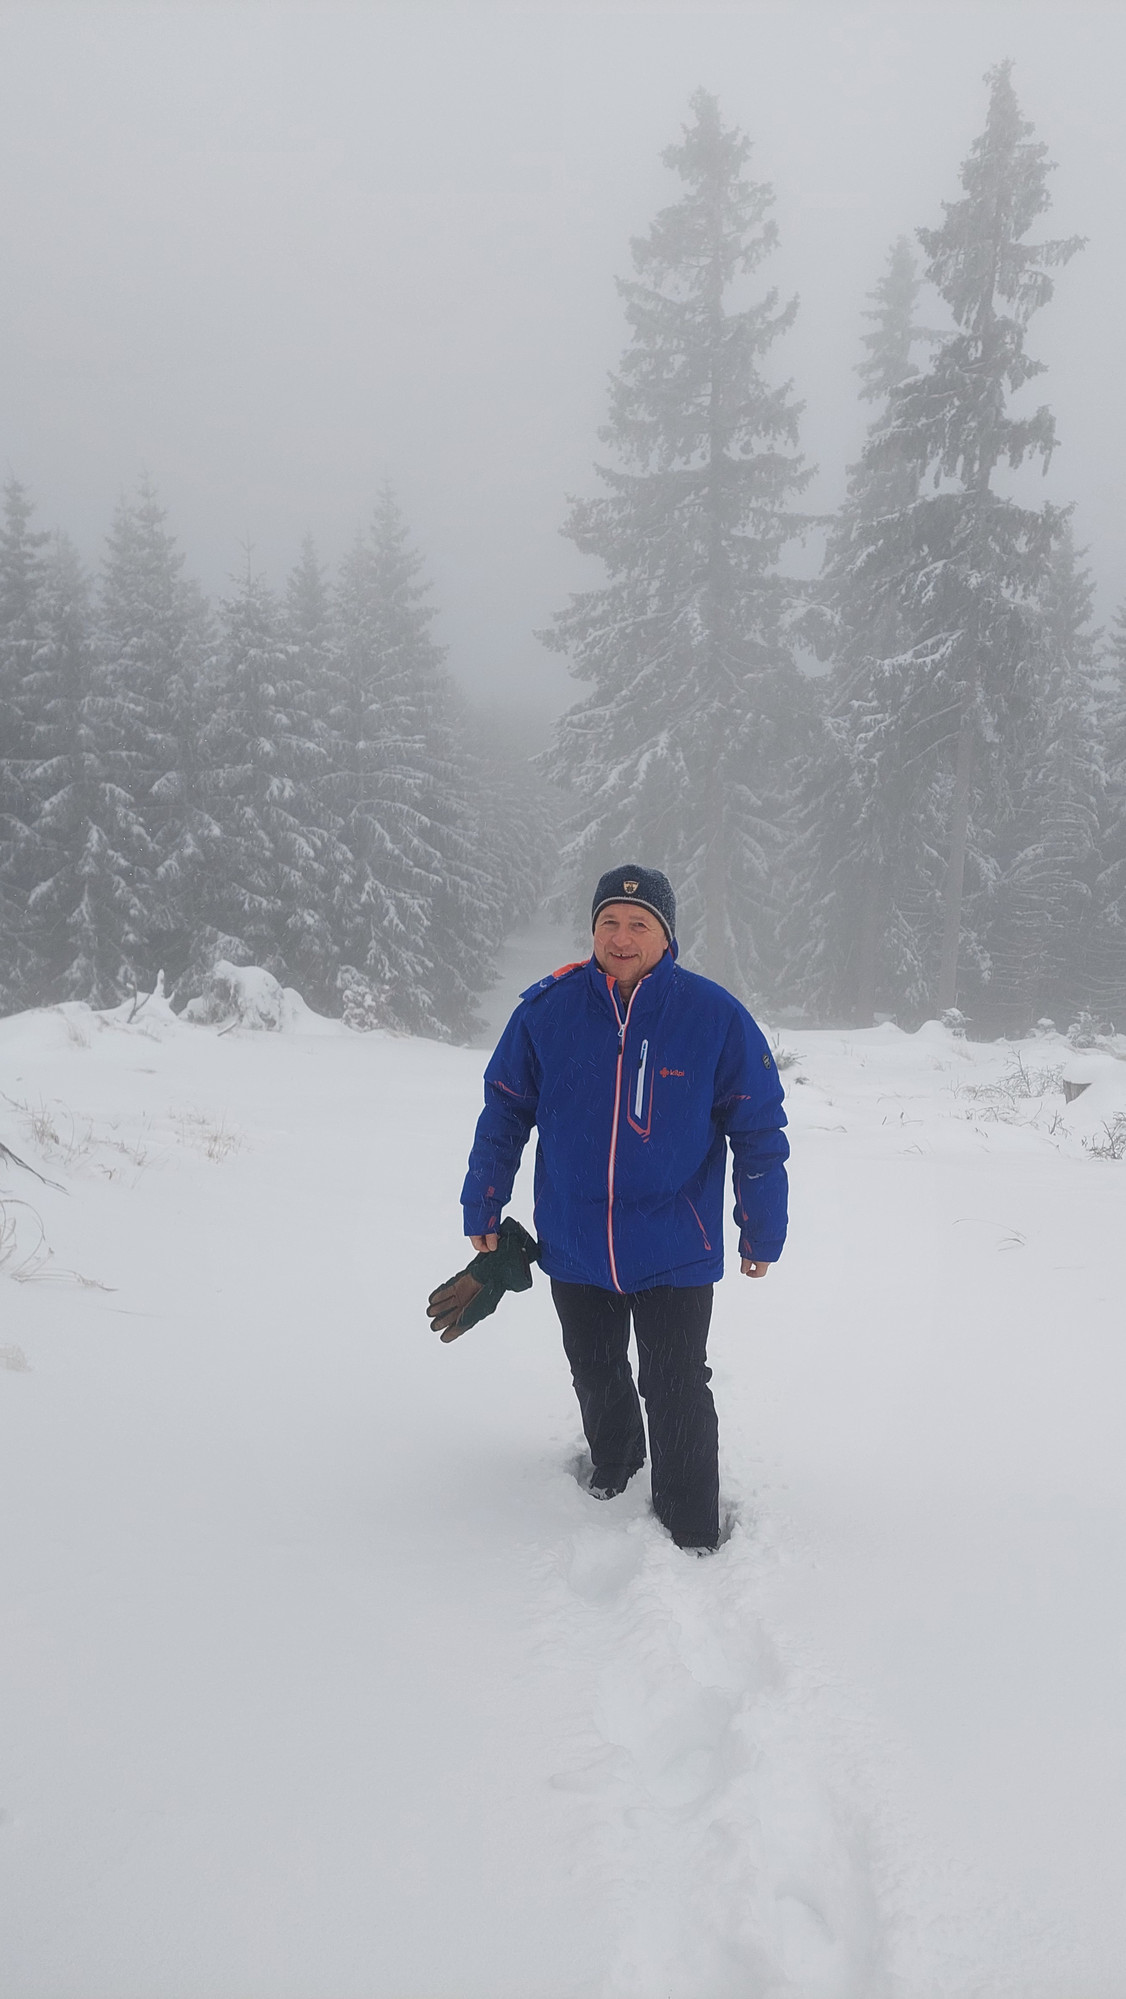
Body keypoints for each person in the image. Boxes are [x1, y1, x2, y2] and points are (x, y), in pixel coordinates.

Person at [460, 864, 789, 1553]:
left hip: (675, 1242)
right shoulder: (548, 1010)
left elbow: (758, 1127)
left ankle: (691, 1521)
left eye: (639, 923)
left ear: (666, 936)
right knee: (593, 1365)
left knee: (675, 1383)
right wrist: (484, 1200)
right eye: (609, 921)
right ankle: (615, 1459)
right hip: (575, 1237)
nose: (621, 936)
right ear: (593, 930)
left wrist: (760, 1227)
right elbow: (505, 1109)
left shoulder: (713, 1016)